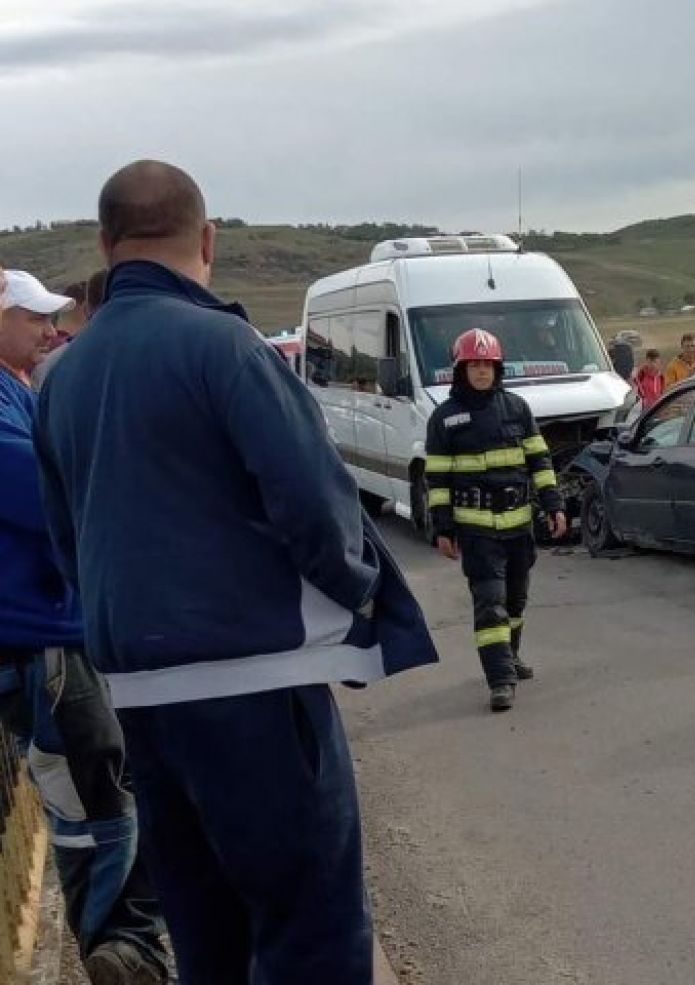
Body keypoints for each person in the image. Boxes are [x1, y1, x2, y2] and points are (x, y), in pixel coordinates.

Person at [34, 160, 438, 984]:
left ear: (106, 246)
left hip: (142, 700)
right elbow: (317, 507)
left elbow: (65, 535)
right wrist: (362, 596)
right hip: (258, 689)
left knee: (206, 931)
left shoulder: (59, 377)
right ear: (208, 239)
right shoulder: (227, 348)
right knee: (309, 931)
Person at [0, 268, 169, 984]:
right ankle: (125, 949)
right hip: (42, 638)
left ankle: (127, 944)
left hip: (55, 628)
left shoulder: (16, 388)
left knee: (98, 787)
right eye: (34, 316)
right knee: (96, 796)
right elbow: (46, 490)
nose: (51, 330)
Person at [425, 328, 568, 712]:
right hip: (476, 532)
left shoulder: (517, 409)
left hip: (519, 527)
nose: (481, 371)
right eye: (474, 364)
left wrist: (554, 505)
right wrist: (443, 528)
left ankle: (511, 655)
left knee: (515, 601)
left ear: (497, 368)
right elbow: (436, 480)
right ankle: (500, 679)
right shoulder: (445, 418)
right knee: (490, 603)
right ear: (461, 369)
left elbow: (540, 461)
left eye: (487, 364)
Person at [33, 269, 107, 391]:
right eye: (38, 319)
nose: (50, 332)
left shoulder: (46, 362)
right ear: (85, 308)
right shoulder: (59, 356)